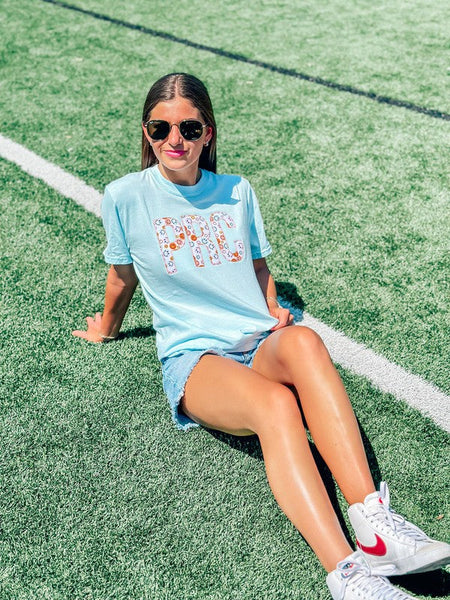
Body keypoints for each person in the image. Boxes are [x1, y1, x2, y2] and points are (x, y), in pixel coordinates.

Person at [73, 72, 450, 599]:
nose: (174, 140)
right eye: (160, 128)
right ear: (147, 132)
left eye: (189, 128)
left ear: (207, 133)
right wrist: (106, 326)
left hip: (255, 341)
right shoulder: (124, 196)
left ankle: (375, 524)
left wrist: (273, 307)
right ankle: (348, 574)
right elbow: (122, 275)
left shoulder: (236, 191)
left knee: (305, 341)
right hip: (196, 357)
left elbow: (256, 265)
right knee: (277, 405)